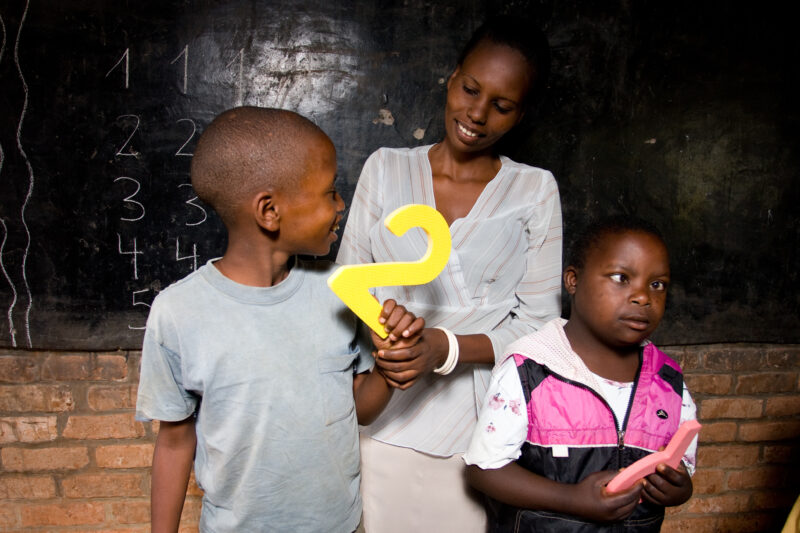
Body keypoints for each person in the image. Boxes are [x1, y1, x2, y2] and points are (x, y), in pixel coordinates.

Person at [135, 106, 424, 533]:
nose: (341, 205)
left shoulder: (342, 292)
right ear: (269, 211)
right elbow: (175, 443)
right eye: (330, 192)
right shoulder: (178, 313)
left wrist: (389, 361)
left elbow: (360, 409)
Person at [336, 15, 561, 532]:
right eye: (470, 89)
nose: (477, 114)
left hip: (480, 433)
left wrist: (443, 347)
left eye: (501, 106)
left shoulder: (535, 190)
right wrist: (387, 335)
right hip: (383, 415)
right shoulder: (386, 168)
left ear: (521, 113)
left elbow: (541, 329)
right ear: (453, 75)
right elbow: (351, 283)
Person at [464, 216, 698, 532]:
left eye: (657, 285)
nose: (643, 297)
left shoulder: (669, 383)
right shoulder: (530, 369)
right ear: (573, 280)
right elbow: (483, 470)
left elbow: (680, 467)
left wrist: (680, 489)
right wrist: (571, 499)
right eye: (621, 277)